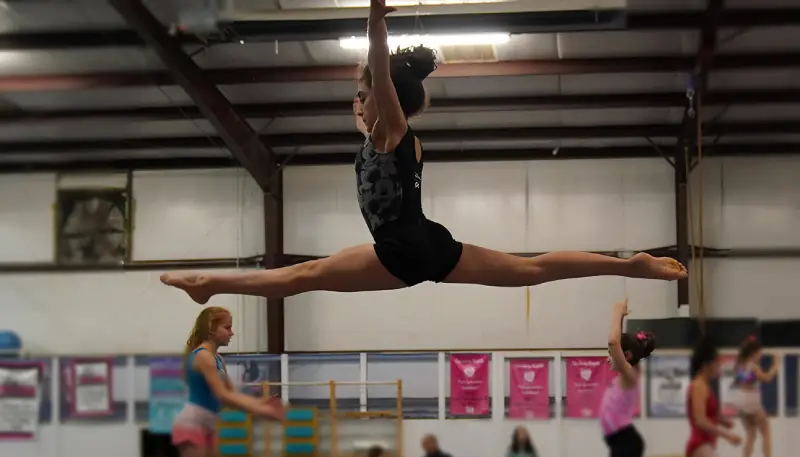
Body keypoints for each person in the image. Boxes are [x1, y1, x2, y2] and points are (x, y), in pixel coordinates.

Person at [159, 0, 687, 305]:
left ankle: (208, 285)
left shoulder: (391, 132)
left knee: (304, 276)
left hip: (400, 250)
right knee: (531, 269)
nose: (358, 103)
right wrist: (370, 80)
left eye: (365, 96)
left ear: (385, 100)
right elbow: (366, 88)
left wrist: (375, 20)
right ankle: (628, 265)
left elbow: (378, 74)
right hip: (428, 241)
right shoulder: (375, 135)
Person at [171, 306, 285, 457]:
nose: (232, 332)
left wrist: (259, 404)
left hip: (207, 424)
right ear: (211, 329)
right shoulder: (202, 357)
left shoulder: (218, 359)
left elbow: (231, 394)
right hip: (191, 424)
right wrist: (259, 411)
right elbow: (222, 395)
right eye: (227, 327)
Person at [598, 299, 656, 457]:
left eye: (616, 355)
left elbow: (613, 342)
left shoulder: (630, 374)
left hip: (625, 440)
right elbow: (614, 345)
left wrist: (616, 312)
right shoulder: (626, 377)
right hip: (618, 441)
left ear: (627, 356)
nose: (609, 356)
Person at [731, 335, 778, 457]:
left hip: (740, 401)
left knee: (751, 434)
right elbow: (767, 378)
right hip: (752, 400)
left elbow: (740, 382)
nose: (760, 355)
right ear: (753, 353)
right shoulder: (752, 366)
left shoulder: (739, 365)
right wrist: (776, 364)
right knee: (766, 431)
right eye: (759, 353)